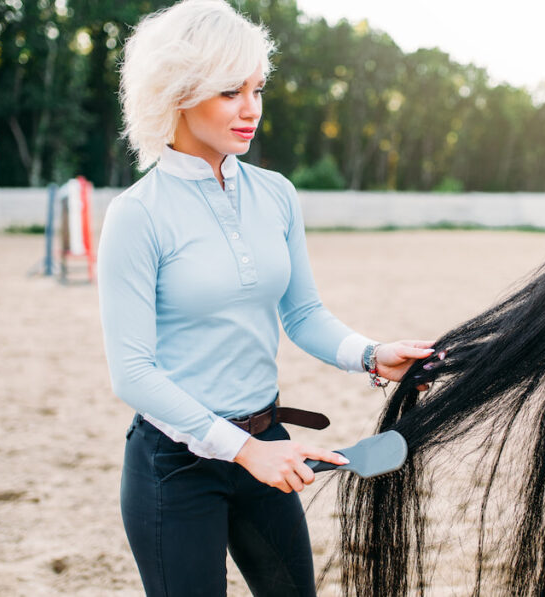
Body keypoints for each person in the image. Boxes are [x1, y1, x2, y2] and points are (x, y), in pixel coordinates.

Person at [97, 1, 434, 595]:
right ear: (177, 91)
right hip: (174, 467)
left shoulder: (275, 194)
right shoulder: (136, 215)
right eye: (230, 91)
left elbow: (302, 313)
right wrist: (244, 450)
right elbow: (132, 374)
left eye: (257, 89)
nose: (251, 109)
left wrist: (371, 354)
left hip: (268, 443)